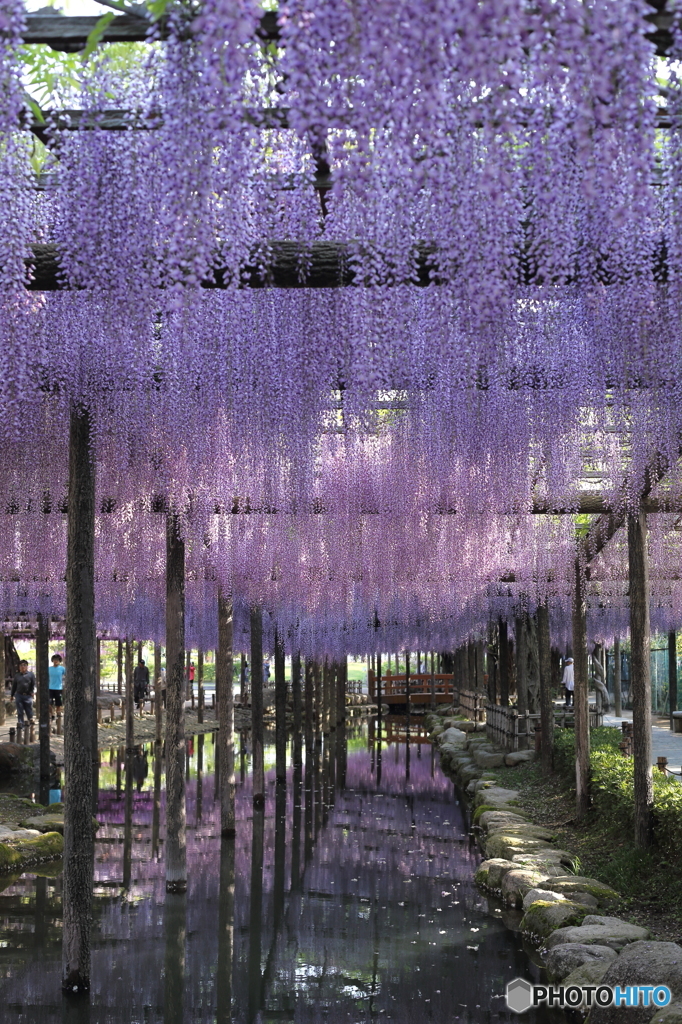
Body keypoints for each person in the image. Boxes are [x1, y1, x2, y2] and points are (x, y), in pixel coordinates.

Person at [11, 660, 35, 727]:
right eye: (21, 665)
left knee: (29, 711)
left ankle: (30, 725)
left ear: (27, 666)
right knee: (20, 712)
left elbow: (33, 684)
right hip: (19, 695)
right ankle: (21, 726)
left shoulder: (31, 675)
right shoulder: (17, 676)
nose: (23, 667)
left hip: (28, 696)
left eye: (24, 665)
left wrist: (32, 692)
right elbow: (14, 686)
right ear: (19, 667)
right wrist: (12, 695)